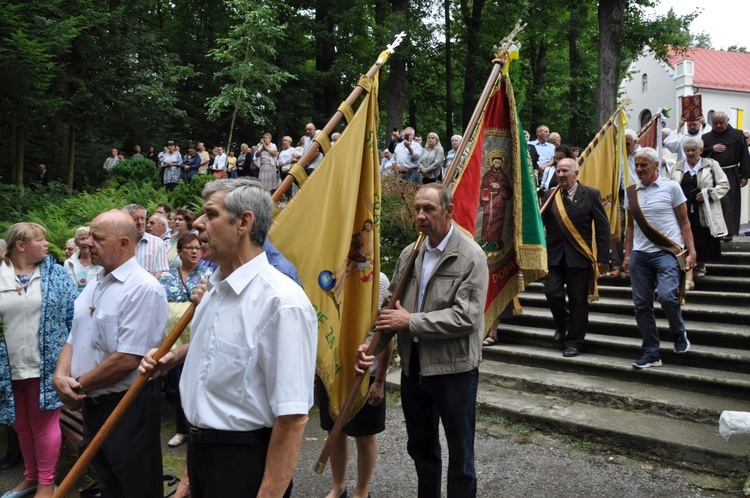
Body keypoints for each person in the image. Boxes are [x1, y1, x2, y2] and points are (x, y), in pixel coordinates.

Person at [139, 178, 317, 497]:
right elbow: (223, 349)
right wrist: (175, 357)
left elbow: (292, 418)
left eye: (210, 214)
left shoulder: (282, 303)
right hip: (201, 457)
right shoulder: (214, 288)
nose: (197, 223)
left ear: (244, 222)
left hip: (244, 466)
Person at [355, 183, 488, 498]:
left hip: (454, 371)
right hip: (414, 369)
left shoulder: (471, 255)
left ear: (449, 211)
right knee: (422, 450)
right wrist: (371, 344)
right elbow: (391, 310)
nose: (420, 216)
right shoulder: (409, 253)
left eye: (428, 209)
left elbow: (466, 317)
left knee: (461, 456)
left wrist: (410, 321)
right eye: (417, 209)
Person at [53, 210, 168, 497]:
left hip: (127, 406)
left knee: (137, 485)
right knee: (109, 482)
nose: (87, 243)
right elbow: (74, 336)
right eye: (89, 236)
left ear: (124, 243)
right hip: (92, 403)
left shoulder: (143, 289)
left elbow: (128, 358)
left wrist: (77, 386)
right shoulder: (94, 283)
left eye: (97, 238)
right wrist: (59, 377)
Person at [0, 223, 77, 498]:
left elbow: (74, 317)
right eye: (40, 239)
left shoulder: (56, 274)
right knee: (20, 424)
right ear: (20, 245)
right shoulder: (0, 275)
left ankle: (47, 484)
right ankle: (31, 477)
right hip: (7, 367)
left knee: (44, 425)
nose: (47, 244)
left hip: (45, 366)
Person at [320, 272, 393, 498]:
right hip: (333, 370)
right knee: (335, 430)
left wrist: (379, 380)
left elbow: (386, 333)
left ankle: (362, 490)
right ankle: (338, 486)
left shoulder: (379, 280)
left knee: (364, 434)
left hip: (364, 372)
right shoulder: (329, 273)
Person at [623, 147, 696, 369]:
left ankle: (679, 331)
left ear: (656, 166)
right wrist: (627, 255)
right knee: (641, 305)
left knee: (666, 296)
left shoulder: (672, 187)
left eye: (644, 165)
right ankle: (651, 352)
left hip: (667, 253)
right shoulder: (631, 192)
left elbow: (684, 222)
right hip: (640, 256)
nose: (639, 169)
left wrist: (691, 251)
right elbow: (630, 227)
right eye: (637, 165)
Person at [542, 159, 610, 357]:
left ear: (576, 173)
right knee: (551, 292)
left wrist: (603, 257)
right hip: (555, 257)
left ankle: (574, 341)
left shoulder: (591, 195)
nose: (561, 174)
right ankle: (563, 325)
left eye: (565, 171)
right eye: (558, 171)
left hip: (579, 257)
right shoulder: (550, 194)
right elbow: (541, 222)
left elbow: (603, 228)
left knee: (578, 301)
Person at [157, 233, 213, 450]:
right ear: (178, 252)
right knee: (177, 383)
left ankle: (195, 427)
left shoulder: (209, 274)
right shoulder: (166, 277)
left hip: (197, 338)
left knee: (197, 382)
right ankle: (182, 428)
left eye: (198, 248)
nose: (194, 251)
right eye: (188, 248)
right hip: (172, 340)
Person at [669, 137, 729, 290]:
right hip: (682, 207)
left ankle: (700, 264)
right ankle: (688, 266)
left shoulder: (711, 165)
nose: (690, 153)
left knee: (701, 234)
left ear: (701, 150)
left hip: (703, 207)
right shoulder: (677, 167)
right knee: (684, 235)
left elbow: (724, 184)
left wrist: (709, 193)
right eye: (687, 150)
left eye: (693, 150)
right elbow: (669, 185)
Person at [701, 111, 750, 239]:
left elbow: (744, 155)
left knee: (730, 202)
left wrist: (745, 175)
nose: (718, 125)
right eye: (715, 123)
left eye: (721, 123)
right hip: (711, 174)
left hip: (731, 172)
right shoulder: (706, 137)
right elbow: (700, 153)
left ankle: (729, 231)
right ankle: (715, 229)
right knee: (713, 201)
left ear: (727, 120)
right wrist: (711, 149)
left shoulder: (738, 135)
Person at [122, 204, 169, 277]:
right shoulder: (119, 243)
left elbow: (161, 272)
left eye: (142, 218)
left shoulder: (157, 243)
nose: (140, 222)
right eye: (135, 219)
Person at [478, 154, 512, 252]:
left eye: (499, 162)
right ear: (492, 162)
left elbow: (508, 191)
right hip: (489, 200)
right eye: (495, 162)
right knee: (487, 219)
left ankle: (496, 241)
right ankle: (485, 240)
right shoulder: (488, 175)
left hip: (499, 202)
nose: (497, 164)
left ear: (502, 163)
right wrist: (489, 187)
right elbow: (483, 186)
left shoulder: (503, 176)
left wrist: (500, 187)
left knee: (498, 221)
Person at [63, 226, 103, 294]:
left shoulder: (101, 262)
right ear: (76, 242)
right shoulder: (69, 263)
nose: (86, 242)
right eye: (82, 239)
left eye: (88, 238)